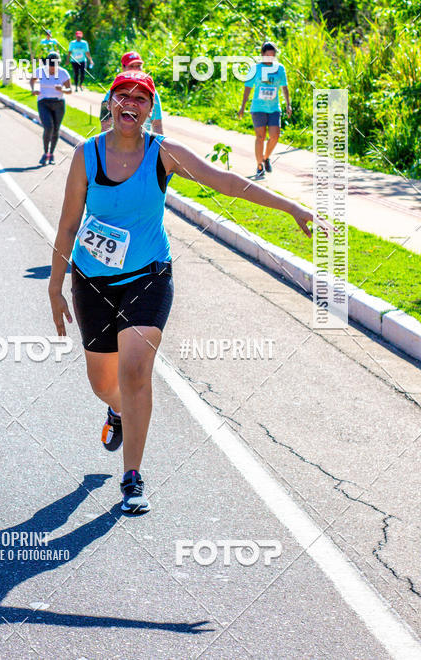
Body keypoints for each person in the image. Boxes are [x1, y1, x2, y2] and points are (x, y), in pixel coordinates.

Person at [49, 70, 326, 515]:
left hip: (148, 275)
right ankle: (118, 410)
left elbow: (226, 182)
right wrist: (54, 287)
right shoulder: (87, 155)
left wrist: (292, 206)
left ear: (149, 110)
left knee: (135, 371)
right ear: (110, 103)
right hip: (91, 280)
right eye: (123, 96)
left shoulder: (164, 154)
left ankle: (132, 477)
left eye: (142, 99)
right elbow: (67, 223)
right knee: (105, 384)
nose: (131, 104)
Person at [238, 41, 291, 181]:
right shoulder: (255, 69)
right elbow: (248, 87)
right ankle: (259, 166)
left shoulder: (280, 69)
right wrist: (242, 106)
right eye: (267, 56)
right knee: (260, 137)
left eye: (273, 56)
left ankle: (266, 157)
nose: (270, 59)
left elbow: (284, 87)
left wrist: (288, 104)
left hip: (274, 108)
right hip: (258, 108)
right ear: (262, 55)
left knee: (275, 136)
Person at [100, 51, 163, 135]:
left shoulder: (151, 93)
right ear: (123, 67)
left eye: (138, 66)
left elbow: (157, 125)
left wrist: (158, 146)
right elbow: (105, 125)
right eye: (132, 66)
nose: (136, 69)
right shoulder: (111, 93)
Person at [30, 51, 72, 165]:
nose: (52, 70)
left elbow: (70, 90)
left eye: (55, 67)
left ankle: (51, 153)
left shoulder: (63, 73)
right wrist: (33, 89)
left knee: (56, 129)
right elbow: (32, 79)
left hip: (58, 103)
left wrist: (62, 89)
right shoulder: (40, 71)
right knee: (48, 127)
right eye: (50, 67)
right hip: (43, 102)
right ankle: (45, 153)